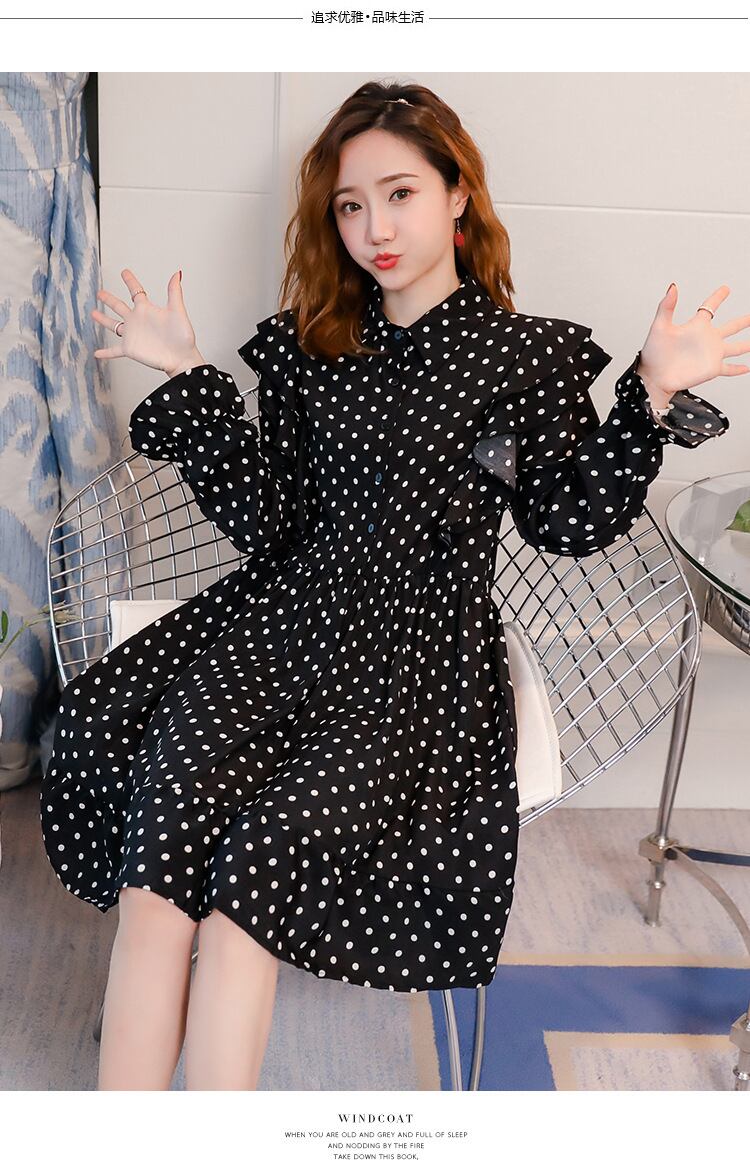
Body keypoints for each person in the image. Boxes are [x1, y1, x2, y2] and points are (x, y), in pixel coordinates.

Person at [40, 80, 746, 1092]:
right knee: (159, 875)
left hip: (413, 668)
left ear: (459, 195)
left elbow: (567, 521)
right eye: (350, 204)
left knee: (246, 894)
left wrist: (650, 393)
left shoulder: (522, 359)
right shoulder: (312, 346)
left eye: (400, 193)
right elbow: (271, 522)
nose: (374, 227)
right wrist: (189, 371)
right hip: (272, 633)